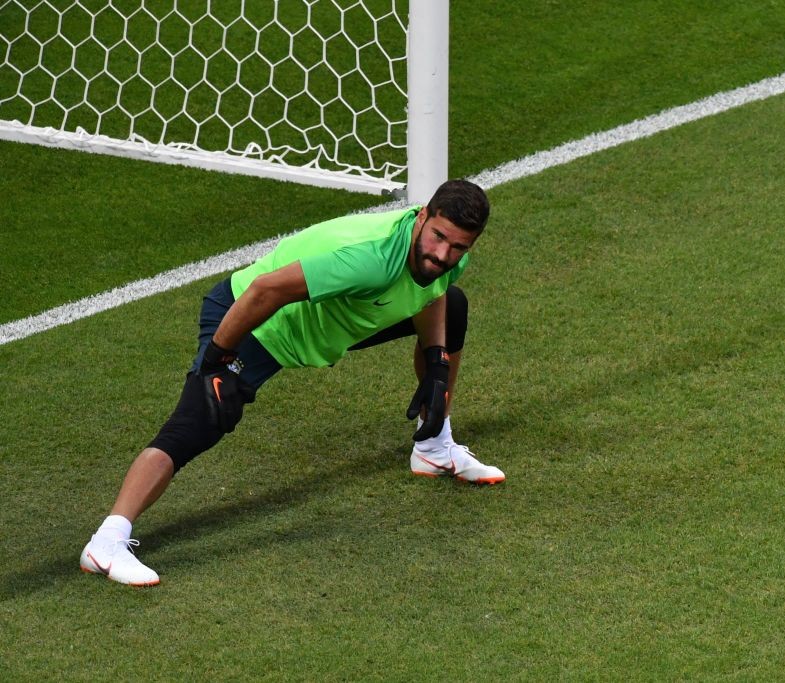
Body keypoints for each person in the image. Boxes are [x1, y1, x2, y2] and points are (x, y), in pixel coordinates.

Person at [79, 179, 504, 587]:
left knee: (455, 307)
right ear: (423, 216)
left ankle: (433, 448)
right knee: (200, 423)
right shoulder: (370, 258)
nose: (444, 253)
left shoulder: (448, 255)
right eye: (438, 238)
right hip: (256, 321)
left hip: (333, 322)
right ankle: (107, 543)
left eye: (458, 247)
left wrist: (436, 363)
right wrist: (215, 361)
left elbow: (432, 292)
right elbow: (264, 291)